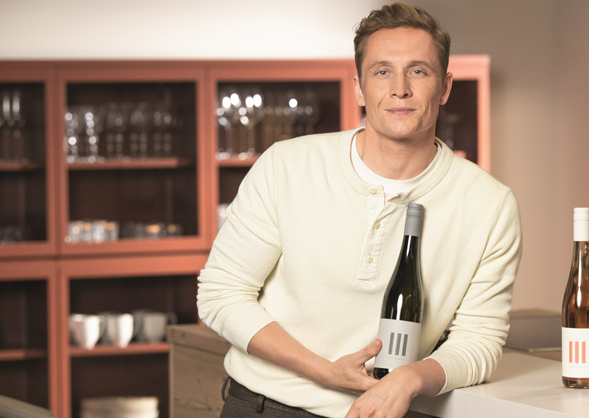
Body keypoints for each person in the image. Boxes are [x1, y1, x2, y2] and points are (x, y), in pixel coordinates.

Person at [197, 3, 522, 417]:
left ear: (444, 88)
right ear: (359, 88)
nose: (400, 89)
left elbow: (480, 341)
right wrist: (323, 371)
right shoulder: (287, 165)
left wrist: (412, 377)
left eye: (418, 71)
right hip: (264, 408)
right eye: (382, 71)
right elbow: (221, 294)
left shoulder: (491, 205)